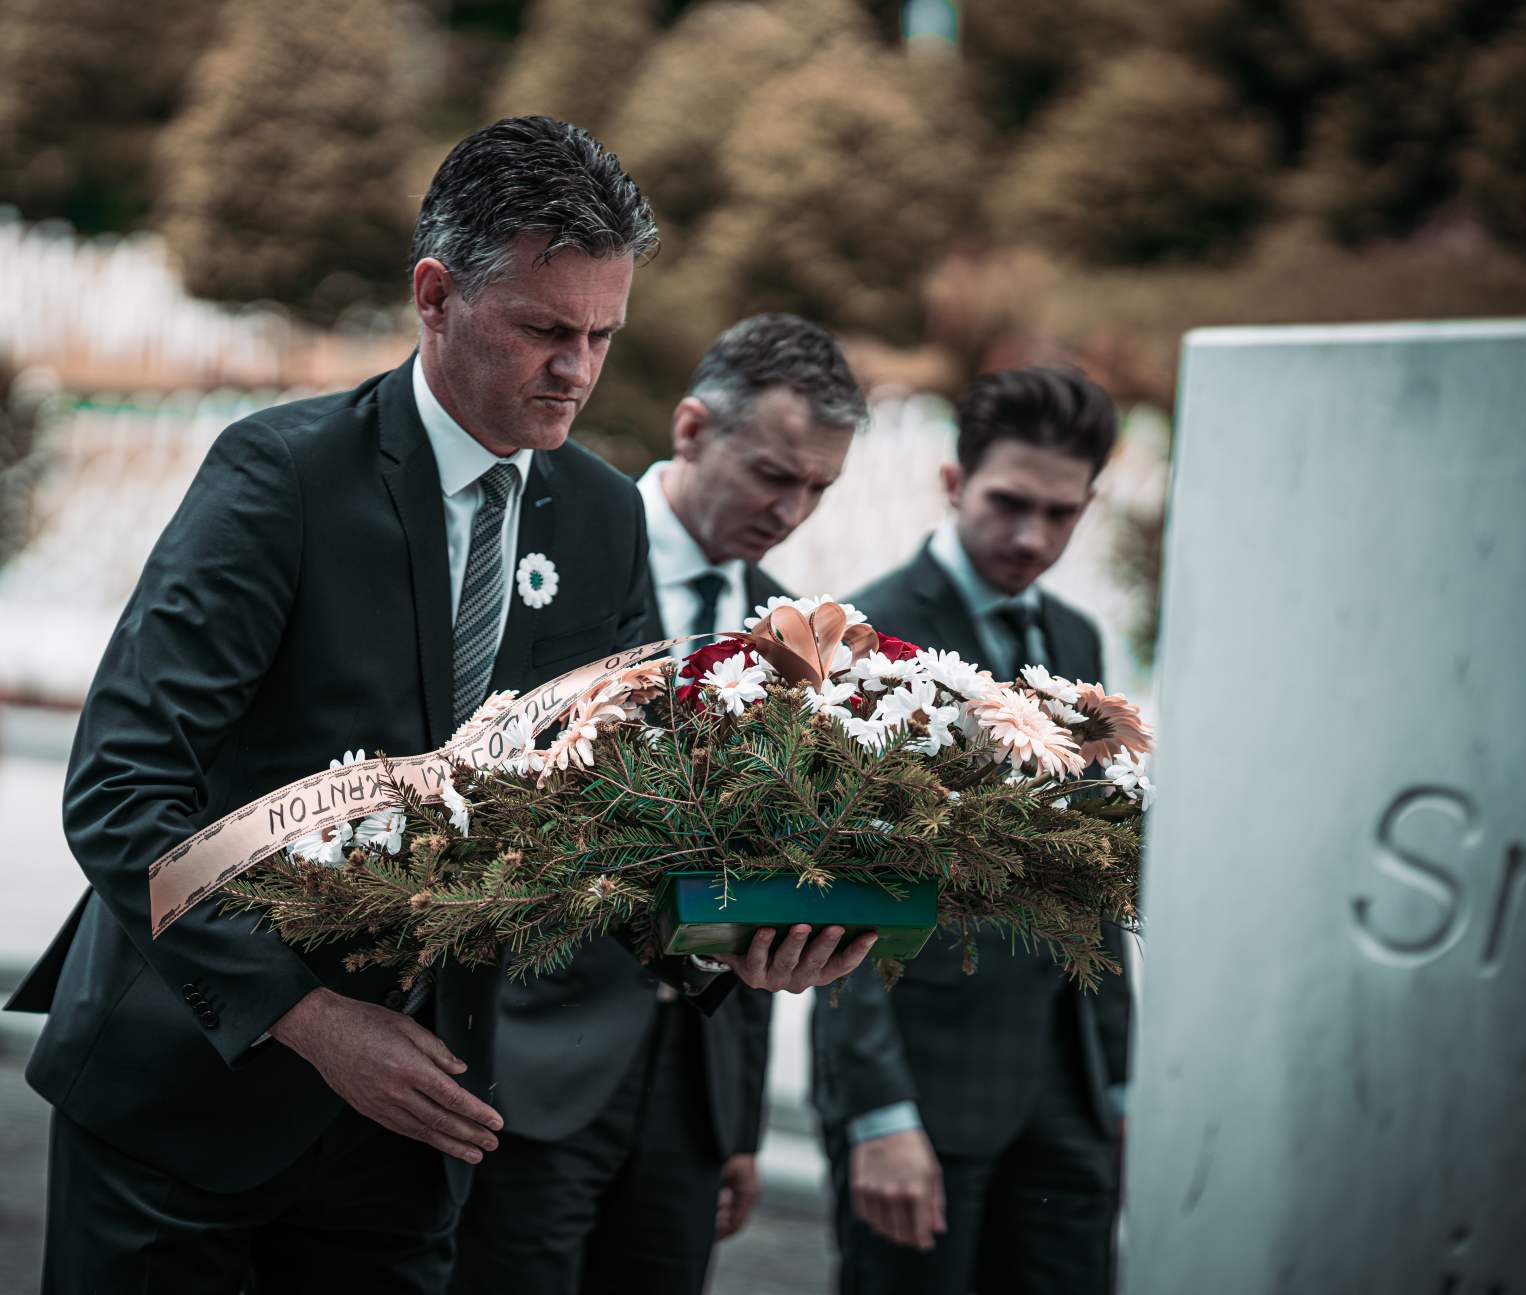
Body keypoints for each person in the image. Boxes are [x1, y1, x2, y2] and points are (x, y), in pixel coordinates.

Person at [4, 116, 874, 1295]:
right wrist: (311, 1017)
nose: (577, 370)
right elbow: (121, 792)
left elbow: (611, 822)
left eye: (602, 335)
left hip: (413, 1136)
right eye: (545, 330)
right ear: (434, 296)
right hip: (187, 1101)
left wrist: (737, 939)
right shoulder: (280, 477)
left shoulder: (602, 518)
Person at [450, 312, 867, 1295]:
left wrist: (737, 1123)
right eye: (773, 473)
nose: (791, 509)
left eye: (818, 487)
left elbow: (762, 861)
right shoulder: (540, 549)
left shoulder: (792, 636)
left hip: (690, 1095)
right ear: (691, 429)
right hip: (519, 1067)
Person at [812, 366, 1134, 1295]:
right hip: (925, 1092)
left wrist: (1120, 1079)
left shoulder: (1076, 638)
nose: (1033, 536)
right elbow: (832, 883)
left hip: (1070, 1093)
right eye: (1009, 503)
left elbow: (1093, 865)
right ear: (954, 483)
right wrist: (878, 1110)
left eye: (1061, 513)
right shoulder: (862, 636)